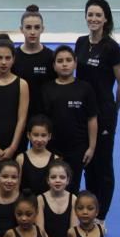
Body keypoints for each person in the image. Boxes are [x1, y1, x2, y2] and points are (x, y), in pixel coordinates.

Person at [75, 0, 120, 218]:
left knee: (103, 166)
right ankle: (87, 209)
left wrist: (112, 109)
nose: (93, 19)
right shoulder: (80, 43)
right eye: (90, 14)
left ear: (106, 19)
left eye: (98, 15)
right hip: (83, 112)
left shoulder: (112, 48)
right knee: (87, 162)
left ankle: (100, 215)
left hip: (104, 113)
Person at [42, 45, 98, 190]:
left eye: (68, 60)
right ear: (54, 66)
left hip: (77, 148)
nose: (65, 64)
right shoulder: (47, 89)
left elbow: (92, 119)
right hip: (52, 148)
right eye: (60, 61)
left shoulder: (85, 88)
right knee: (52, 186)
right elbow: (42, 122)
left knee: (72, 187)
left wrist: (91, 147)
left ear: (75, 63)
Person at [13, 5, 55, 121]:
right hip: (18, 115)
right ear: (21, 29)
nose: (32, 32)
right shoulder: (13, 57)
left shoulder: (51, 57)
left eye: (37, 27)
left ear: (43, 29)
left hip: (44, 116)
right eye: (28, 27)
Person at [37, 162, 77, 237]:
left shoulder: (73, 199)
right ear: (48, 180)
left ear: (68, 180)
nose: (58, 180)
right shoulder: (40, 199)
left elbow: (73, 230)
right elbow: (40, 229)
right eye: (53, 177)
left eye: (62, 177)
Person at [17, 115, 57, 195]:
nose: (39, 140)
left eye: (43, 135)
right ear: (28, 135)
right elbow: (16, 188)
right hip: (26, 204)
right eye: (35, 135)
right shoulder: (21, 159)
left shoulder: (55, 159)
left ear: (49, 136)